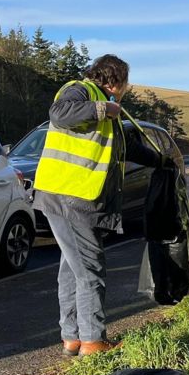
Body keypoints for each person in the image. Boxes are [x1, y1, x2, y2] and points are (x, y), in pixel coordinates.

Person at [33, 54, 162, 357]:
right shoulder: (80, 90)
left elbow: (128, 148)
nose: (127, 89)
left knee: (72, 269)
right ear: (115, 80)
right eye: (126, 83)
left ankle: (73, 337)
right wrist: (103, 108)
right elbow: (59, 113)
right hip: (71, 197)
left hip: (68, 196)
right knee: (90, 270)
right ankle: (93, 341)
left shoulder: (111, 115)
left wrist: (162, 161)